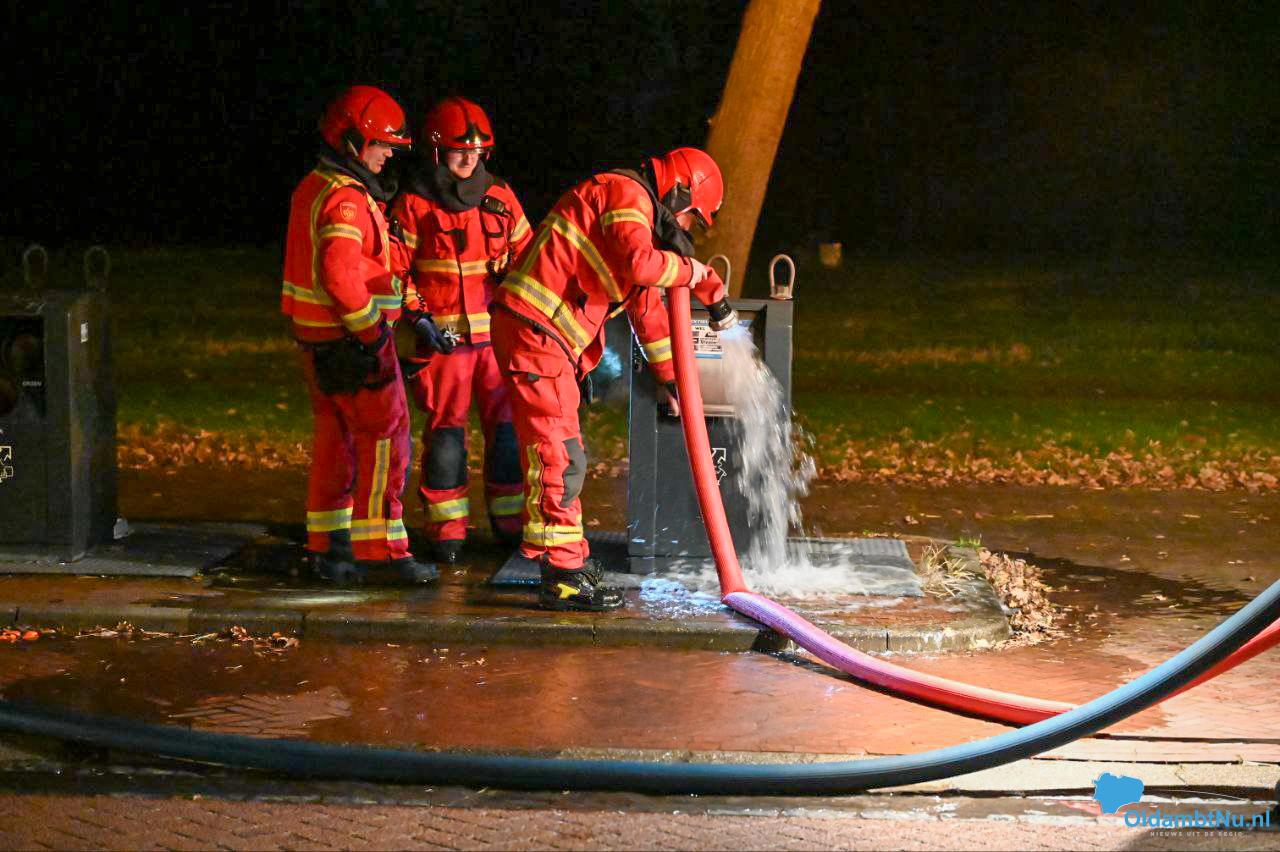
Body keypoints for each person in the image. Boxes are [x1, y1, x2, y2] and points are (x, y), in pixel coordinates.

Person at [490, 147, 737, 611]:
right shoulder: (625, 195)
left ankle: (570, 563)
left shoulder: (636, 222)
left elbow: (649, 315)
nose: (686, 229)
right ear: (679, 190)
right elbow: (642, 267)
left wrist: (671, 380)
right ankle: (561, 577)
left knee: (564, 456)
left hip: (546, 337)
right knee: (561, 459)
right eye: (691, 218)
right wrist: (695, 272)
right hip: (536, 333)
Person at [281, 84, 445, 586]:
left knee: (336, 441)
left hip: (319, 344)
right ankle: (381, 551)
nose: (389, 155)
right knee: (386, 438)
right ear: (351, 141)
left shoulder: (315, 186)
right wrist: (374, 333)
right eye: (382, 145)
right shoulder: (347, 199)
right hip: (353, 343)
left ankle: (329, 549)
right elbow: (340, 275)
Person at [390, 97, 532, 563]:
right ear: (435, 153)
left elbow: (528, 260)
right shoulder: (412, 204)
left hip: (497, 343)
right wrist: (418, 316)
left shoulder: (502, 199)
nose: (470, 159)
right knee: (446, 435)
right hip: (443, 345)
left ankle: (510, 527)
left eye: (477, 151)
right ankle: (447, 532)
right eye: (458, 151)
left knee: (509, 433)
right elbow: (395, 270)